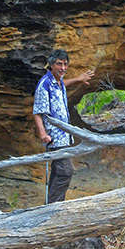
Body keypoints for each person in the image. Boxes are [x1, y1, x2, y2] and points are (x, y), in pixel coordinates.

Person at [33, 49, 94, 203]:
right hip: (54, 137)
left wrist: (79, 79)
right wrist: (42, 134)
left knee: (58, 171)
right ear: (51, 65)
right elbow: (37, 112)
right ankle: (54, 206)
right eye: (59, 64)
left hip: (64, 136)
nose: (63, 68)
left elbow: (63, 83)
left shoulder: (57, 82)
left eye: (65, 64)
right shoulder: (45, 84)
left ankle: (51, 205)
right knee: (65, 171)